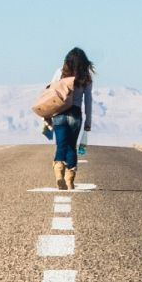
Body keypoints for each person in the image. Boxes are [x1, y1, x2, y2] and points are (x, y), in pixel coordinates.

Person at [44, 47, 94, 190]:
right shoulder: (86, 77)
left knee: (61, 145)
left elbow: (50, 91)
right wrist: (88, 121)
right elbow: (88, 100)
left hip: (59, 114)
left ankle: (59, 175)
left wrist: (46, 114)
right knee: (71, 146)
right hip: (75, 115)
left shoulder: (60, 72)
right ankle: (70, 180)